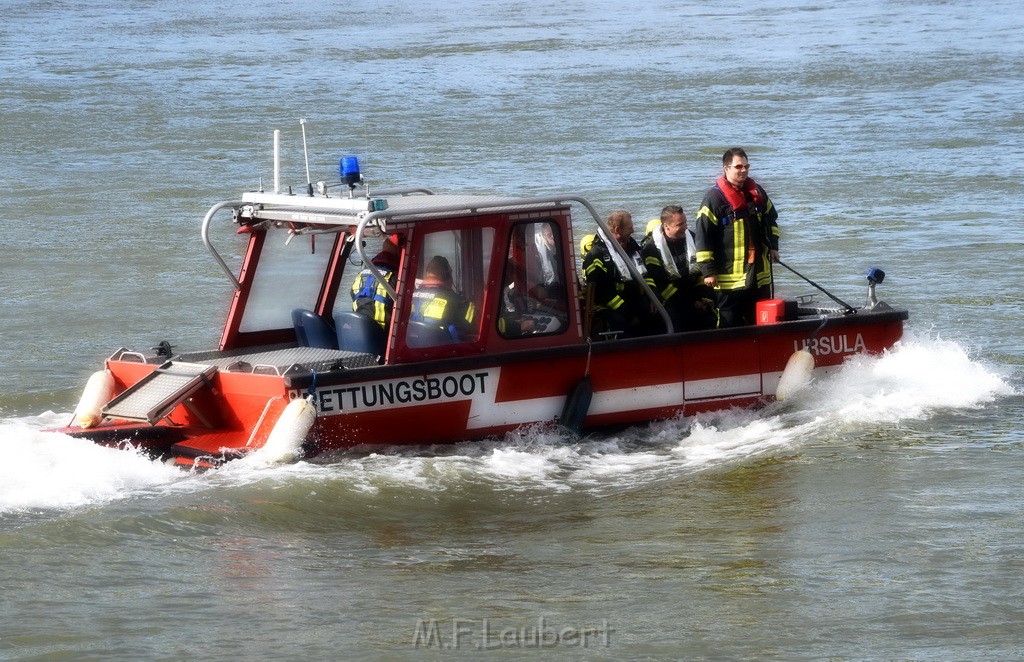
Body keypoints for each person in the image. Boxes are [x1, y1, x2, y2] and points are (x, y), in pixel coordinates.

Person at [694, 148, 780, 327]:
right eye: (738, 166)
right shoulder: (714, 198)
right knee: (729, 322)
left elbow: (771, 217)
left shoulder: (756, 192)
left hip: (758, 274)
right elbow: (703, 235)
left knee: (761, 321)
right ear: (726, 168)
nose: (744, 170)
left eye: (746, 166)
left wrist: (773, 246)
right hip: (728, 278)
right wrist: (708, 271)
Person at [641, 205, 718, 331]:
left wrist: (702, 298)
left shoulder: (691, 238)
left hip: (692, 292)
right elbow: (663, 287)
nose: (686, 227)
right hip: (671, 298)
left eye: (685, 222)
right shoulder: (651, 250)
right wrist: (693, 303)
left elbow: (700, 273)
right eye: (680, 224)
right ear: (666, 226)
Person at [582, 210, 656, 338]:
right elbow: (603, 293)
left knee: (655, 314)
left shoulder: (633, 249)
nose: (633, 231)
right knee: (620, 323)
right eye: (630, 228)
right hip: (609, 307)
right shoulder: (596, 255)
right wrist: (629, 315)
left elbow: (646, 276)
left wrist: (653, 298)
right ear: (617, 230)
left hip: (632, 302)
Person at [410, 255, 476, 342]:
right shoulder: (459, 302)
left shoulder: (411, 296)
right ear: (448, 275)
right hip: (444, 352)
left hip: (415, 351)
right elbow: (475, 328)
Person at [351, 234, 401, 331]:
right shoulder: (397, 278)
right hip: (382, 337)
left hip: (358, 330)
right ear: (399, 253)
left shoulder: (360, 275)